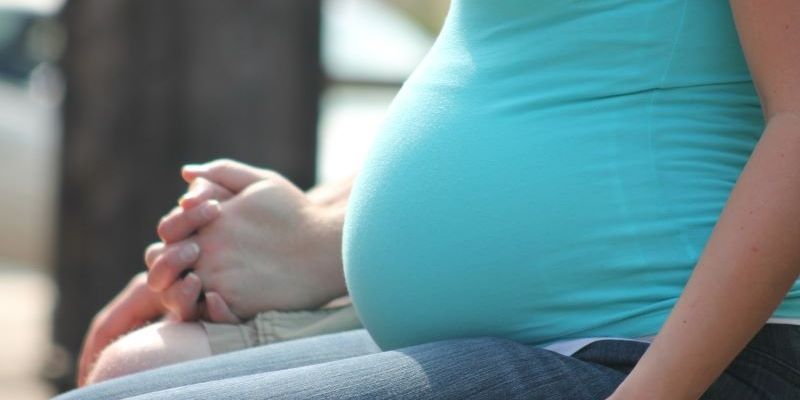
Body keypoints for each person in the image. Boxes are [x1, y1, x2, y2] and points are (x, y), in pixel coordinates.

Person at [59, 0, 800, 398]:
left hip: (657, 357)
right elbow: (533, 80)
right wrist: (313, 232)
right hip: (547, 338)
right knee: (121, 383)